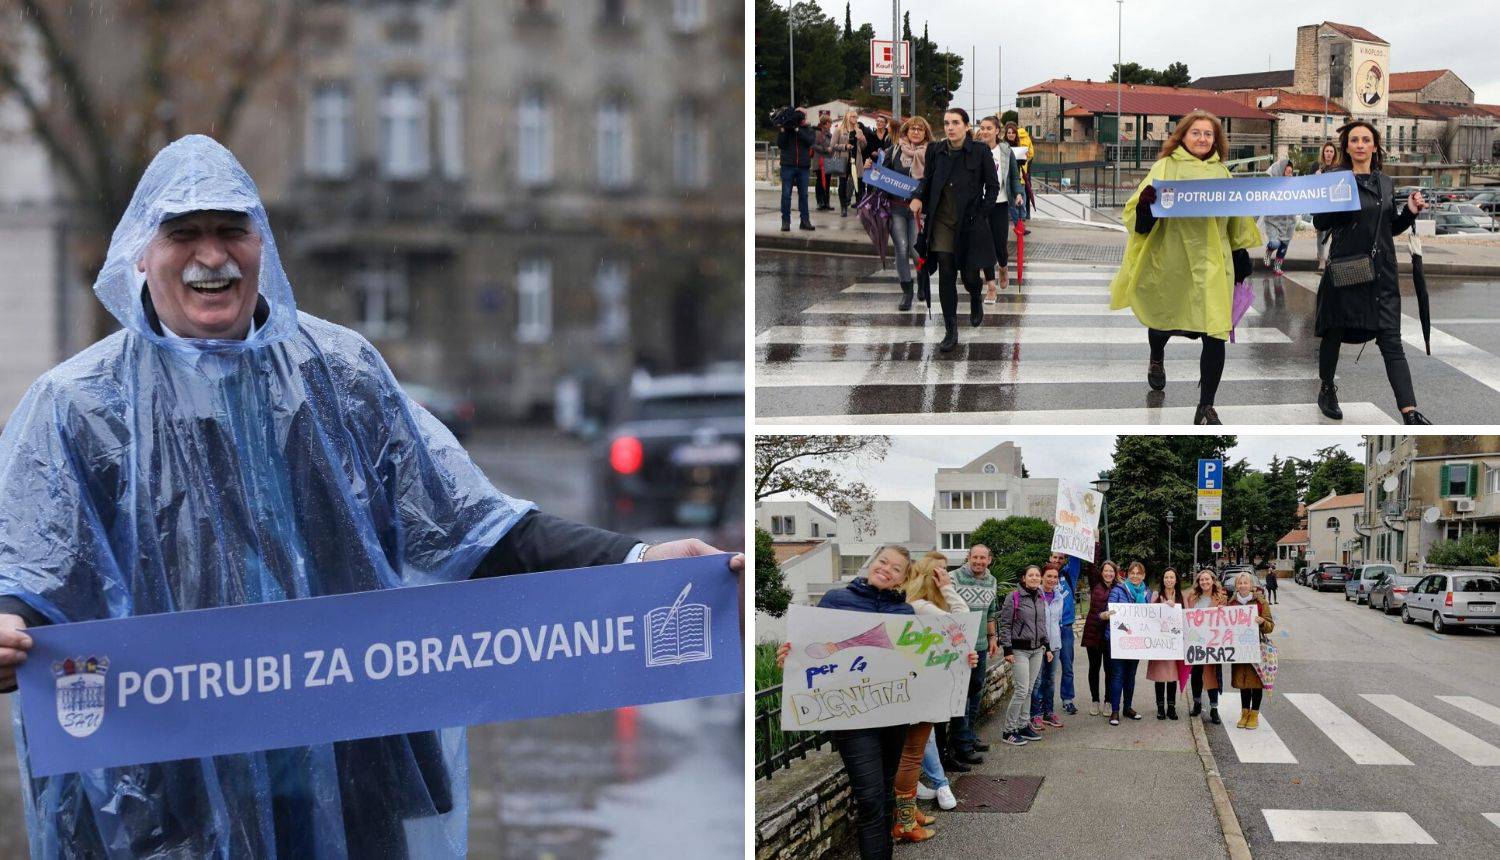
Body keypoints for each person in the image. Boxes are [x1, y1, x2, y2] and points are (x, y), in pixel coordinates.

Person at [0, 136, 744, 859]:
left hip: (345, 783)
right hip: (167, 797)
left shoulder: (341, 377)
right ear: (141, 251)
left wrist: (642, 561)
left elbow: (475, 531)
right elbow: (36, 572)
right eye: (184, 234)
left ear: (264, 244)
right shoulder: (79, 408)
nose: (212, 256)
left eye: (232, 230)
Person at [1109, 110, 1261, 426]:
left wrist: (1240, 255)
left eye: (1208, 134)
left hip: (1213, 265)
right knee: (1164, 321)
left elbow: (1236, 219)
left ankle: (1206, 405)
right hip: (1172, 259)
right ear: (1183, 136)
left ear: (1215, 140)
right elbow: (1137, 219)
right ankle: (1157, 357)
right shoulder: (1165, 168)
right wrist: (1145, 204)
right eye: (1196, 133)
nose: (1203, 139)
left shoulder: (1223, 174)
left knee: (1216, 332)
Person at [775, 545, 915, 860]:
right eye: (883, 561)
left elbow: (919, 662)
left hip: (893, 716)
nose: (887, 569)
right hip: (852, 719)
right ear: (871, 563)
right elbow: (809, 650)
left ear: (902, 578)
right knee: (869, 801)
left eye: (896, 568)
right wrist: (791, 657)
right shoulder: (836, 600)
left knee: (886, 794)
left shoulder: (905, 614)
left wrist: (962, 660)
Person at [1312, 120, 1432, 425]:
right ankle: (1327, 388)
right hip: (1347, 268)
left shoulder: (1386, 183)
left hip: (1382, 275)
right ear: (1347, 147)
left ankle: (1410, 411)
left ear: (1375, 146)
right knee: (1334, 333)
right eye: (1355, 140)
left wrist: (1410, 212)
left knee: (1391, 341)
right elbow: (1321, 223)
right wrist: (1341, 198)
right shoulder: (1335, 179)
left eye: (1366, 139)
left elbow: (1389, 227)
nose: (1361, 144)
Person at [897, 552, 978, 840]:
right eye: (942, 573)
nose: (948, 576)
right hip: (918, 684)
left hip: (924, 680)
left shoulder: (922, 605)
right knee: (920, 742)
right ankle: (936, 788)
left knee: (918, 743)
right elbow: (964, 620)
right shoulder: (921, 606)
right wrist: (949, 589)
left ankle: (912, 798)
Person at [909, 108, 1000, 353]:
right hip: (941, 222)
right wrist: (917, 197)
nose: (950, 127)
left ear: (967, 126)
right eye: (947, 123)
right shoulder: (935, 151)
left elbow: (993, 187)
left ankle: (975, 293)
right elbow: (926, 181)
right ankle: (951, 329)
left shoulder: (980, 152)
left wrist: (981, 213)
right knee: (946, 271)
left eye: (956, 122)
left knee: (970, 275)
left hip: (969, 223)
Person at [866, 116, 933, 312]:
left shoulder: (931, 153)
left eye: (920, 129)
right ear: (905, 131)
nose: (916, 132)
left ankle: (921, 279)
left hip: (918, 210)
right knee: (901, 248)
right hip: (896, 207)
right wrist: (871, 167)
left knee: (915, 249)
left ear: (925, 132)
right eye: (912, 129)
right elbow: (880, 173)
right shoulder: (893, 150)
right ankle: (907, 290)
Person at [948, 543, 1000, 767]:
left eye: (983, 558)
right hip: (958, 648)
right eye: (975, 557)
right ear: (968, 557)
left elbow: (990, 612)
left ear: (989, 560)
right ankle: (961, 746)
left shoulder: (992, 581)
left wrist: (992, 638)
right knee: (961, 696)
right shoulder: (953, 578)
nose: (979, 561)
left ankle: (969, 736)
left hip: (979, 645)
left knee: (976, 693)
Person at [998, 564, 1052, 746]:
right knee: (1021, 690)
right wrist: (1007, 649)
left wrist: (1048, 647)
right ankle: (1008, 730)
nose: (1035, 578)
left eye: (1037, 575)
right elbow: (1004, 625)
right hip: (1019, 650)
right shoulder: (1013, 597)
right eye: (1031, 575)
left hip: (1037, 650)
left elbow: (1042, 624)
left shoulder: (1040, 597)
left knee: (1029, 689)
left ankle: (1022, 725)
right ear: (1024, 578)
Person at [976, 116, 1025, 303]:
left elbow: (1014, 176)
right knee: (984, 246)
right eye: (982, 128)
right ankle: (990, 287)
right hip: (980, 204)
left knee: (1000, 245)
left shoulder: (1005, 150)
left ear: (997, 131)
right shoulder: (974, 150)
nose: (985, 131)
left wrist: (1018, 193)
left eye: (989, 128)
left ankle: (1003, 267)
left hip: (1001, 203)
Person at [1100, 561, 1151, 726]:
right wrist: (1107, 615)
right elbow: (1111, 611)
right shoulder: (1118, 590)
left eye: (1139, 573)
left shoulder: (1147, 593)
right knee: (1117, 675)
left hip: (1136, 642)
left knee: (1131, 676)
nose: (1135, 576)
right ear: (1127, 574)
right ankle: (1115, 710)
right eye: (1132, 573)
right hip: (1118, 640)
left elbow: (1151, 616)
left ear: (1143, 576)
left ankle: (1127, 708)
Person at [1229, 571, 1274, 730]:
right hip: (1240, 650)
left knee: (1255, 683)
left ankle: (1254, 714)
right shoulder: (1232, 604)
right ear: (1236, 586)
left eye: (1245, 583)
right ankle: (1244, 713)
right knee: (1243, 683)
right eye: (1240, 583)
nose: (1242, 586)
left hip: (1256, 648)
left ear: (1251, 585)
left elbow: (1270, 626)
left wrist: (1262, 622)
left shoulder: (1260, 603)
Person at [1185, 568, 1229, 724]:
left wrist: (1224, 612)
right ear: (1198, 582)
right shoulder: (1192, 597)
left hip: (1213, 644)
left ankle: (1214, 708)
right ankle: (1197, 704)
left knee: (1212, 676)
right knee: (1196, 675)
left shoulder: (1222, 598)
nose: (1204, 582)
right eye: (1201, 580)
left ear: (1212, 581)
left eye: (1207, 579)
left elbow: (1228, 620)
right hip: (1196, 643)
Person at [1029, 564, 1068, 731]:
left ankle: (1048, 712)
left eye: (1055, 577)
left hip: (1055, 644)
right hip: (1039, 646)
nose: (1052, 579)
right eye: (1049, 576)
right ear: (1042, 577)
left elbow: (1057, 620)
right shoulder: (1035, 595)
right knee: (1037, 681)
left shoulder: (1059, 597)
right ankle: (1035, 714)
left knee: (1050, 680)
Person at [1080, 560, 1118, 717]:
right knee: (1094, 668)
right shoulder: (1095, 583)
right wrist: (1095, 541)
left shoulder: (1119, 588)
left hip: (1110, 634)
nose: (1109, 573)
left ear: (1115, 574)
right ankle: (1095, 700)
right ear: (1101, 572)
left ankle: (1108, 701)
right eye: (1106, 570)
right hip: (1093, 632)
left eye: (1111, 571)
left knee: (1110, 670)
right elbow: (1092, 565)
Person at [1146, 568, 1185, 721]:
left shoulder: (1182, 596)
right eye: (1166, 577)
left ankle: (1172, 707)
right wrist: (1163, 606)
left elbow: (1187, 617)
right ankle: (1160, 707)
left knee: (1172, 676)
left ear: (1176, 580)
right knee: (1160, 676)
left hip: (1174, 644)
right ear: (1163, 580)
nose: (1169, 580)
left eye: (1172, 577)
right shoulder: (1156, 596)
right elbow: (1150, 617)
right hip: (1160, 644)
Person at [1047, 551, 1081, 715]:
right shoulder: (1045, 575)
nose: (1057, 560)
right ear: (1050, 558)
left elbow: (1076, 557)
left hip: (1066, 629)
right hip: (1048, 629)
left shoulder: (1069, 575)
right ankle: (1043, 703)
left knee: (1067, 667)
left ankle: (1067, 699)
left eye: (1061, 558)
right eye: (1055, 557)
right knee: (1047, 669)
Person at [776, 107, 817, 232]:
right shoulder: (786, 129)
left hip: (803, 166)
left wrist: (797, 129)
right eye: (799, 115)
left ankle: (805, 221)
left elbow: (809, 141)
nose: (801, 117)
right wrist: (783, 129)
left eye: (803, 115)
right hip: (788, 165)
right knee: (786, 195)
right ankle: (785, 221)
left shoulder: (809, 130)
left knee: (803, 195)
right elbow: (780, 144)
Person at [1261, 159, 1297, 277]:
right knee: (1275, 243)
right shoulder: (1271, 186)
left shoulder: (1295, 187)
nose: (1289, 175)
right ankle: (1269, 251)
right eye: (1287, 172)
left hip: (1289, 222)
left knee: (1283, 246)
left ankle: (1277, 266)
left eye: (1291, 172)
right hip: (1273, 221)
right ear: (1281, 172)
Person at [1003, 122, 1036, 231]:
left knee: (1019, 199)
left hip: (1018, 176)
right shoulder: (1003, 146)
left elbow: (1025, 160)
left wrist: (1023, 158)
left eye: (1013, 133)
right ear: (1006, 134)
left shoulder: (1019, 145)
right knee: (1011, 201)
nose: (1011, 134)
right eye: (1009, 133)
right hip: (1007, 177)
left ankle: (1020, 224)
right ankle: (1018, 225)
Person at [1314, 142, 1340, 270]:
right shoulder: (1317, 168)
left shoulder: (1339, 168)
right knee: (1321, 233)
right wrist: (1316, 177)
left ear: (1334, 154)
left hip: (1333, 205)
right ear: (1323, 153)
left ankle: (1331, 256)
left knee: (1335, 232)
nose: (1329, 153)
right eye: (1327, 151)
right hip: (1321, 205)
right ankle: (1321, 258)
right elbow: (1310, 187)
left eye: (1331, 151)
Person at [833, 109, 863, 217]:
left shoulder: (859, 131)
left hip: (856, 160)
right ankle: (843, 207)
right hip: (843, 160)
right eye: (853, 117)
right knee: (843, 184)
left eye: (856, 117)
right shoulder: (839, 130)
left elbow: (863, 146)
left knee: (858, 184)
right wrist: (845, 146)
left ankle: (860, 209)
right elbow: (833, 146)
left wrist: (862, 139)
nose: (856, 119)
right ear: (848, 118)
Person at [813, 113, 836, 211]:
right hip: (819, 161)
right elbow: (814, 146)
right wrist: (826, 149)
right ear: (826, 123)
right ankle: (820, 202)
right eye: (830, 123)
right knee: (819, 181)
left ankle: (827, 202)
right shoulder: (818, 133)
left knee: (827, 181)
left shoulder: (829, 133)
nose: (831, 125)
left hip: (828, 160)